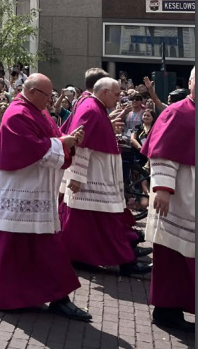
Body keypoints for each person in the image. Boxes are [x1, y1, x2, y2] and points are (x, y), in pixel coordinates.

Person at [0, 74, 91, 321]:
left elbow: (50, 140)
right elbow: (32, 148)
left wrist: (69, 141)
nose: (50, 100)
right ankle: (53, 297)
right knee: (30, 245)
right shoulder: (18, 113)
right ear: (32, 92)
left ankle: (48, 296)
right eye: (47, 95)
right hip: (20, 191)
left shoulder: (36, 111)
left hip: (34, 190)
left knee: (31, 245)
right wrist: (63, 143)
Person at [58, 77, 151, 276]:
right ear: (104, 92)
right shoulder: (91, 109)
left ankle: (86, 256)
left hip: (97, 175)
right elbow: (80, 143)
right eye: (116, 95)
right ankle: (126, 260)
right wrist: (77, 176)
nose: (118, 99)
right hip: (93, 177)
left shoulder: (95, 106)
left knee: (92, 224)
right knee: (106, 222)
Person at [142, 67, 195, 331]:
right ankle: (166, 311)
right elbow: (162, 153)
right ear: (191, 82)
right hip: (180, 197)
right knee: (173, 255)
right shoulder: (178, 111)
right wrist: (162, 188)